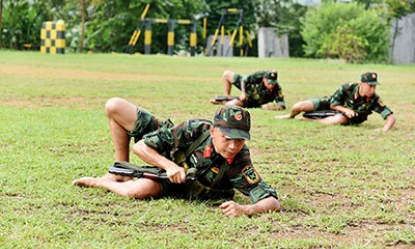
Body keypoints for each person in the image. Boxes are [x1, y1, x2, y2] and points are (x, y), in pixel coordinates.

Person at [73, 98, 280, 217]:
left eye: (240, 140)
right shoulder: (196, 129)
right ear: (214, 131)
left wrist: (246, 209)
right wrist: (170, 165)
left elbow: (271, 201)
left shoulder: (238, 160)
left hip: (178, 184)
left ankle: (102, 183)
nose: (234, 146)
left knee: (138, 191)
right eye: (227, 138)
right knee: (114, 105)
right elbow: (140, 147)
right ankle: (120, 174)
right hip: (169, 156)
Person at [275, 72, 396, 132]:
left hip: (347, 118)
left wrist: (383, 129)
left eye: (374, 86)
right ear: (361, 84)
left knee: (339, 120)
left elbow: (391, 117)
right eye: (370, 86)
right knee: (299, 106)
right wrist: (345, 110)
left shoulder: (374, 99)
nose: (373, 89)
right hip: (333, 105)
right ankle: (289, 116)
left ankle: (308, 120)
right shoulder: (347, 87)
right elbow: (333, 104)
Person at [209, 70, 286, 111]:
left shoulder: (277, 89)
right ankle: (227, 97)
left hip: (251, 101)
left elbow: (282, 106)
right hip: (247, 90)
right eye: (269, 83)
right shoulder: (259, 75)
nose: (271, 86)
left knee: (230, 105)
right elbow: (244, 79)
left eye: (273, 83)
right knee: (226, 74)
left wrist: (269, 108)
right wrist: (243, 93)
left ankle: (225, 101)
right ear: (264, 79)